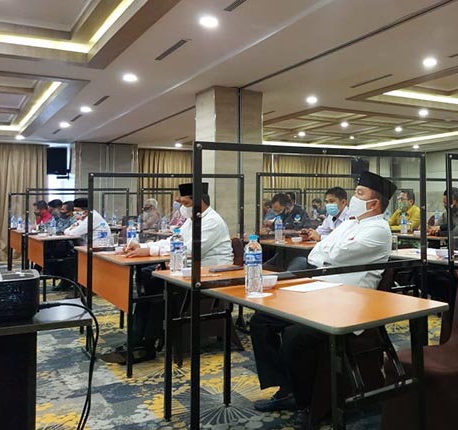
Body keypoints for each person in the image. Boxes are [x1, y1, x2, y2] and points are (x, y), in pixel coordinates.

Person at [250, 171, 396, 428]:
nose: (354, 198)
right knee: (261, 321)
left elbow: (334, 255)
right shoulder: (350, 223)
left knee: (295, 336)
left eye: (359, 194)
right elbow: (317, 253)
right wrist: (327, 251)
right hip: (321, 294)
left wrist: (327, 251)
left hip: (349, 305)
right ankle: (287, 387)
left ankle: (307, 402)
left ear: (374, 204)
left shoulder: (379, 230)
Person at [99, 183, 233, 365]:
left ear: (199, 202)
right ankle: (138, 343)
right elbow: (173, 240)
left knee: (157, 290)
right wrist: (143, 246)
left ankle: (144, 345)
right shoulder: (193, 219)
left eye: (185, 204)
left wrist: (149, 251)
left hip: (211, 274)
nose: (182, 208)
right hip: (192, 270)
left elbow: (189, 250)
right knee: (150, 286)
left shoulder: (212, 221)